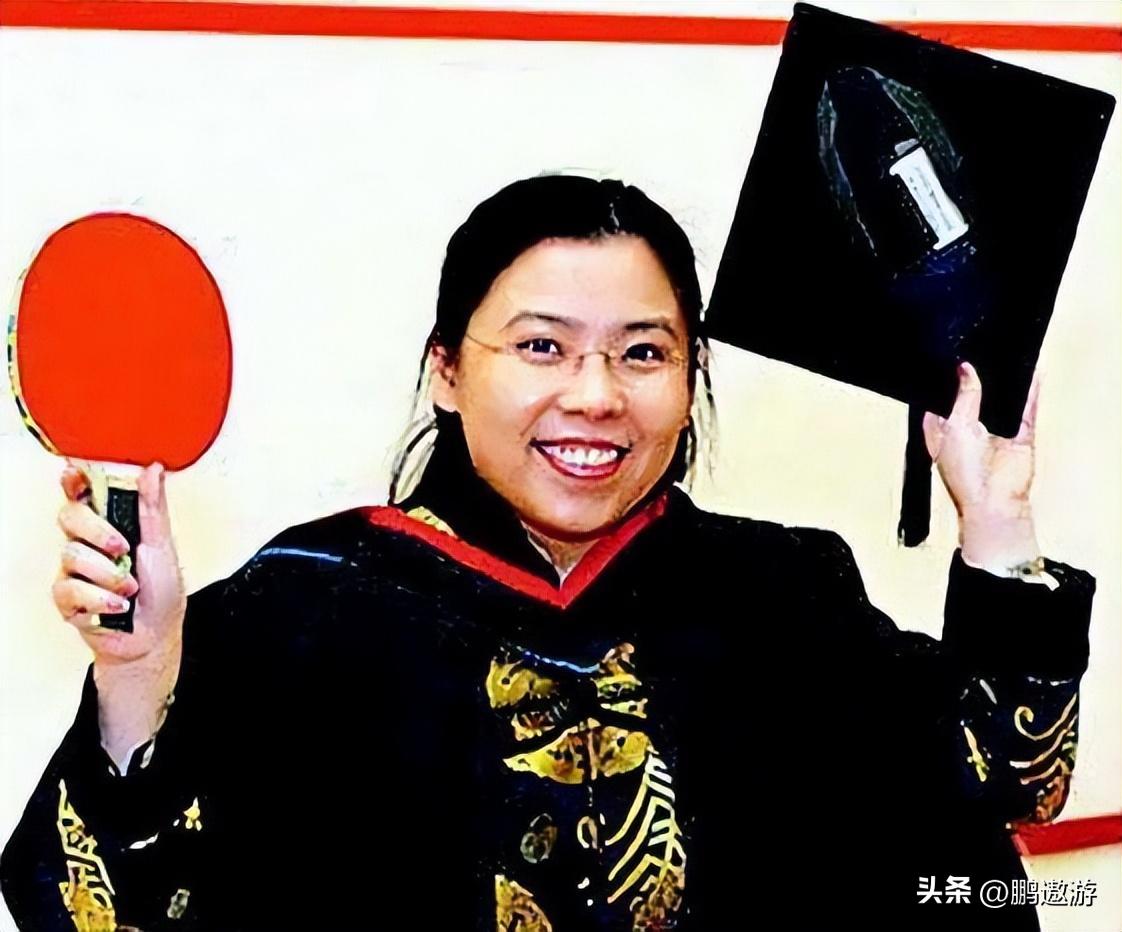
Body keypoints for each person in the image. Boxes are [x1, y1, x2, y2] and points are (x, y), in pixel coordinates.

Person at [0, 176, 1094, 931]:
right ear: (446, 369)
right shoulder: (305, 609)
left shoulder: (784, 595)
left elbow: (1011, 789)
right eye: (541, 346)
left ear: (690, 378)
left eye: (643, 353)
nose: (595, 396)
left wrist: (997, 526)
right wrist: (140, 675)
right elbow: (98, 911)